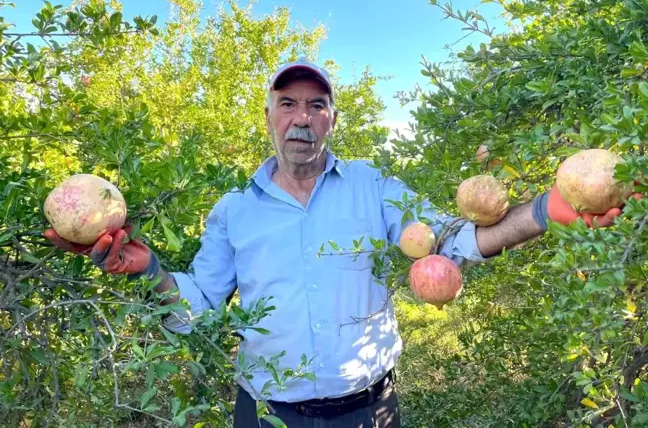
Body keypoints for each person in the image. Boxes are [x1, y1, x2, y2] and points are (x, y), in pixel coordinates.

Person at [44, 58, 638, 427]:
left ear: (332, 118)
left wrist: (543, 211)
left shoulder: (374, 188)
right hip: (266, 416)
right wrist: (148, 272)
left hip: (368, 411)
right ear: (270, 115)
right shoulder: (233, 212)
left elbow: (449, 241)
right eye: (288, 103)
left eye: (316, 105)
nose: (301, 117)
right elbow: (196, 308)